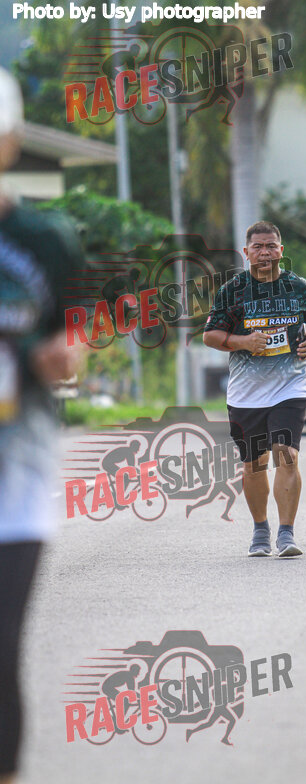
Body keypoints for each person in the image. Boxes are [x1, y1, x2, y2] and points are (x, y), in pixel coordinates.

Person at [0, 69, 84, 782]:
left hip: (13, 488)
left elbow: (69, 344)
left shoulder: (45, 241)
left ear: (10, 142)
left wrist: (58, 356)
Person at [203, 221, 306, 557]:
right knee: (254, 464)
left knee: (287, 454)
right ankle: (261, 530)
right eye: (257, 247)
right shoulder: (233, 291)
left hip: (290, 386)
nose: (265, 253)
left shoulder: (297, 286)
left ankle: (286, 534)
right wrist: (243, 342)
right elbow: (210, 335)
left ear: (281, 251)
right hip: (246, 393)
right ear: (246, 252)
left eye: (271, 246)